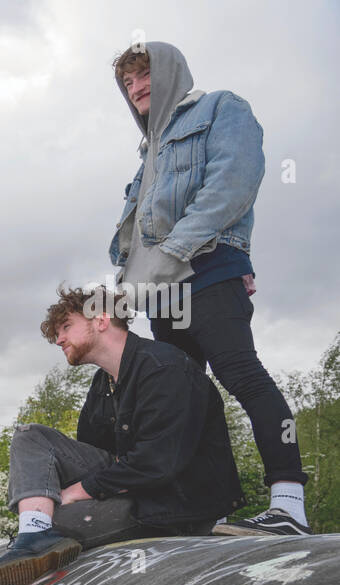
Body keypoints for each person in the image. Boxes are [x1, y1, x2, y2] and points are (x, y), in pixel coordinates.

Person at [109, 40, 310, 535]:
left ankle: (289, 503)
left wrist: (176, 251)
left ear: (170, 71)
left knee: (240, 372)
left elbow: (235, 182)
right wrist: (126, 282)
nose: (136, 87)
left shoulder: (223, 107)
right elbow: (135, 229)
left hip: (209, 265)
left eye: (143, 73)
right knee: (184, 396)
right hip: (160, 288)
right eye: (127, 82)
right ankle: (204, 509)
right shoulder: (147, 155)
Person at [0, 285, 243, 585]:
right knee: (30, 437)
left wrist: (76, 492)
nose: (59, 339)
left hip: (176, 506)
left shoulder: (165, 368)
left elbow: (157, 463)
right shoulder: (102, 384)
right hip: (132, 492)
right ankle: (35, 535)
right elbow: (91, 456)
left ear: (102, 320)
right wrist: (69, 489)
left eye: (66, 327)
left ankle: (40, 533)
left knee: (57, 520)